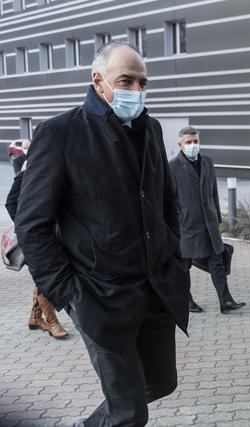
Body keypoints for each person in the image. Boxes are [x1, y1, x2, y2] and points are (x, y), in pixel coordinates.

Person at [15, 42, 190, 426]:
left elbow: (166, 203)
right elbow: (31, 224)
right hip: (98, 297)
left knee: (160, 383)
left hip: (154, 288)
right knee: (130, 413)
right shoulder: (60, 134)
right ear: (99, 82)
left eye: (143, 82)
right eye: (126, 80)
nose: (136, 90)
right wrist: (69, 294)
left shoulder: (151, 128)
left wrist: (173, 257)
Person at [169, 126, 245, 314]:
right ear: (180, 145)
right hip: (186, 226)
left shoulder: (208, 162)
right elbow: (169, 199)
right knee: (183, 267)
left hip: (209, 225)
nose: (193, 145)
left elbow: (213, 193)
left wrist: (217, 217)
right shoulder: (172, 167)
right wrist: (177, 220)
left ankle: (226, 301)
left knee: (217, 263)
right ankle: (186, 301)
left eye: (195, 141)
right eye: (189, 142)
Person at [5, 166, 68, 339]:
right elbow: (11, 202)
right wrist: (27, 228)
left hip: (58, 236)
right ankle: (52, 321)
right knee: (44, 277)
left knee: (42, 277)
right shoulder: (27, 171)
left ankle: (35, 317)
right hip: (36, 239)